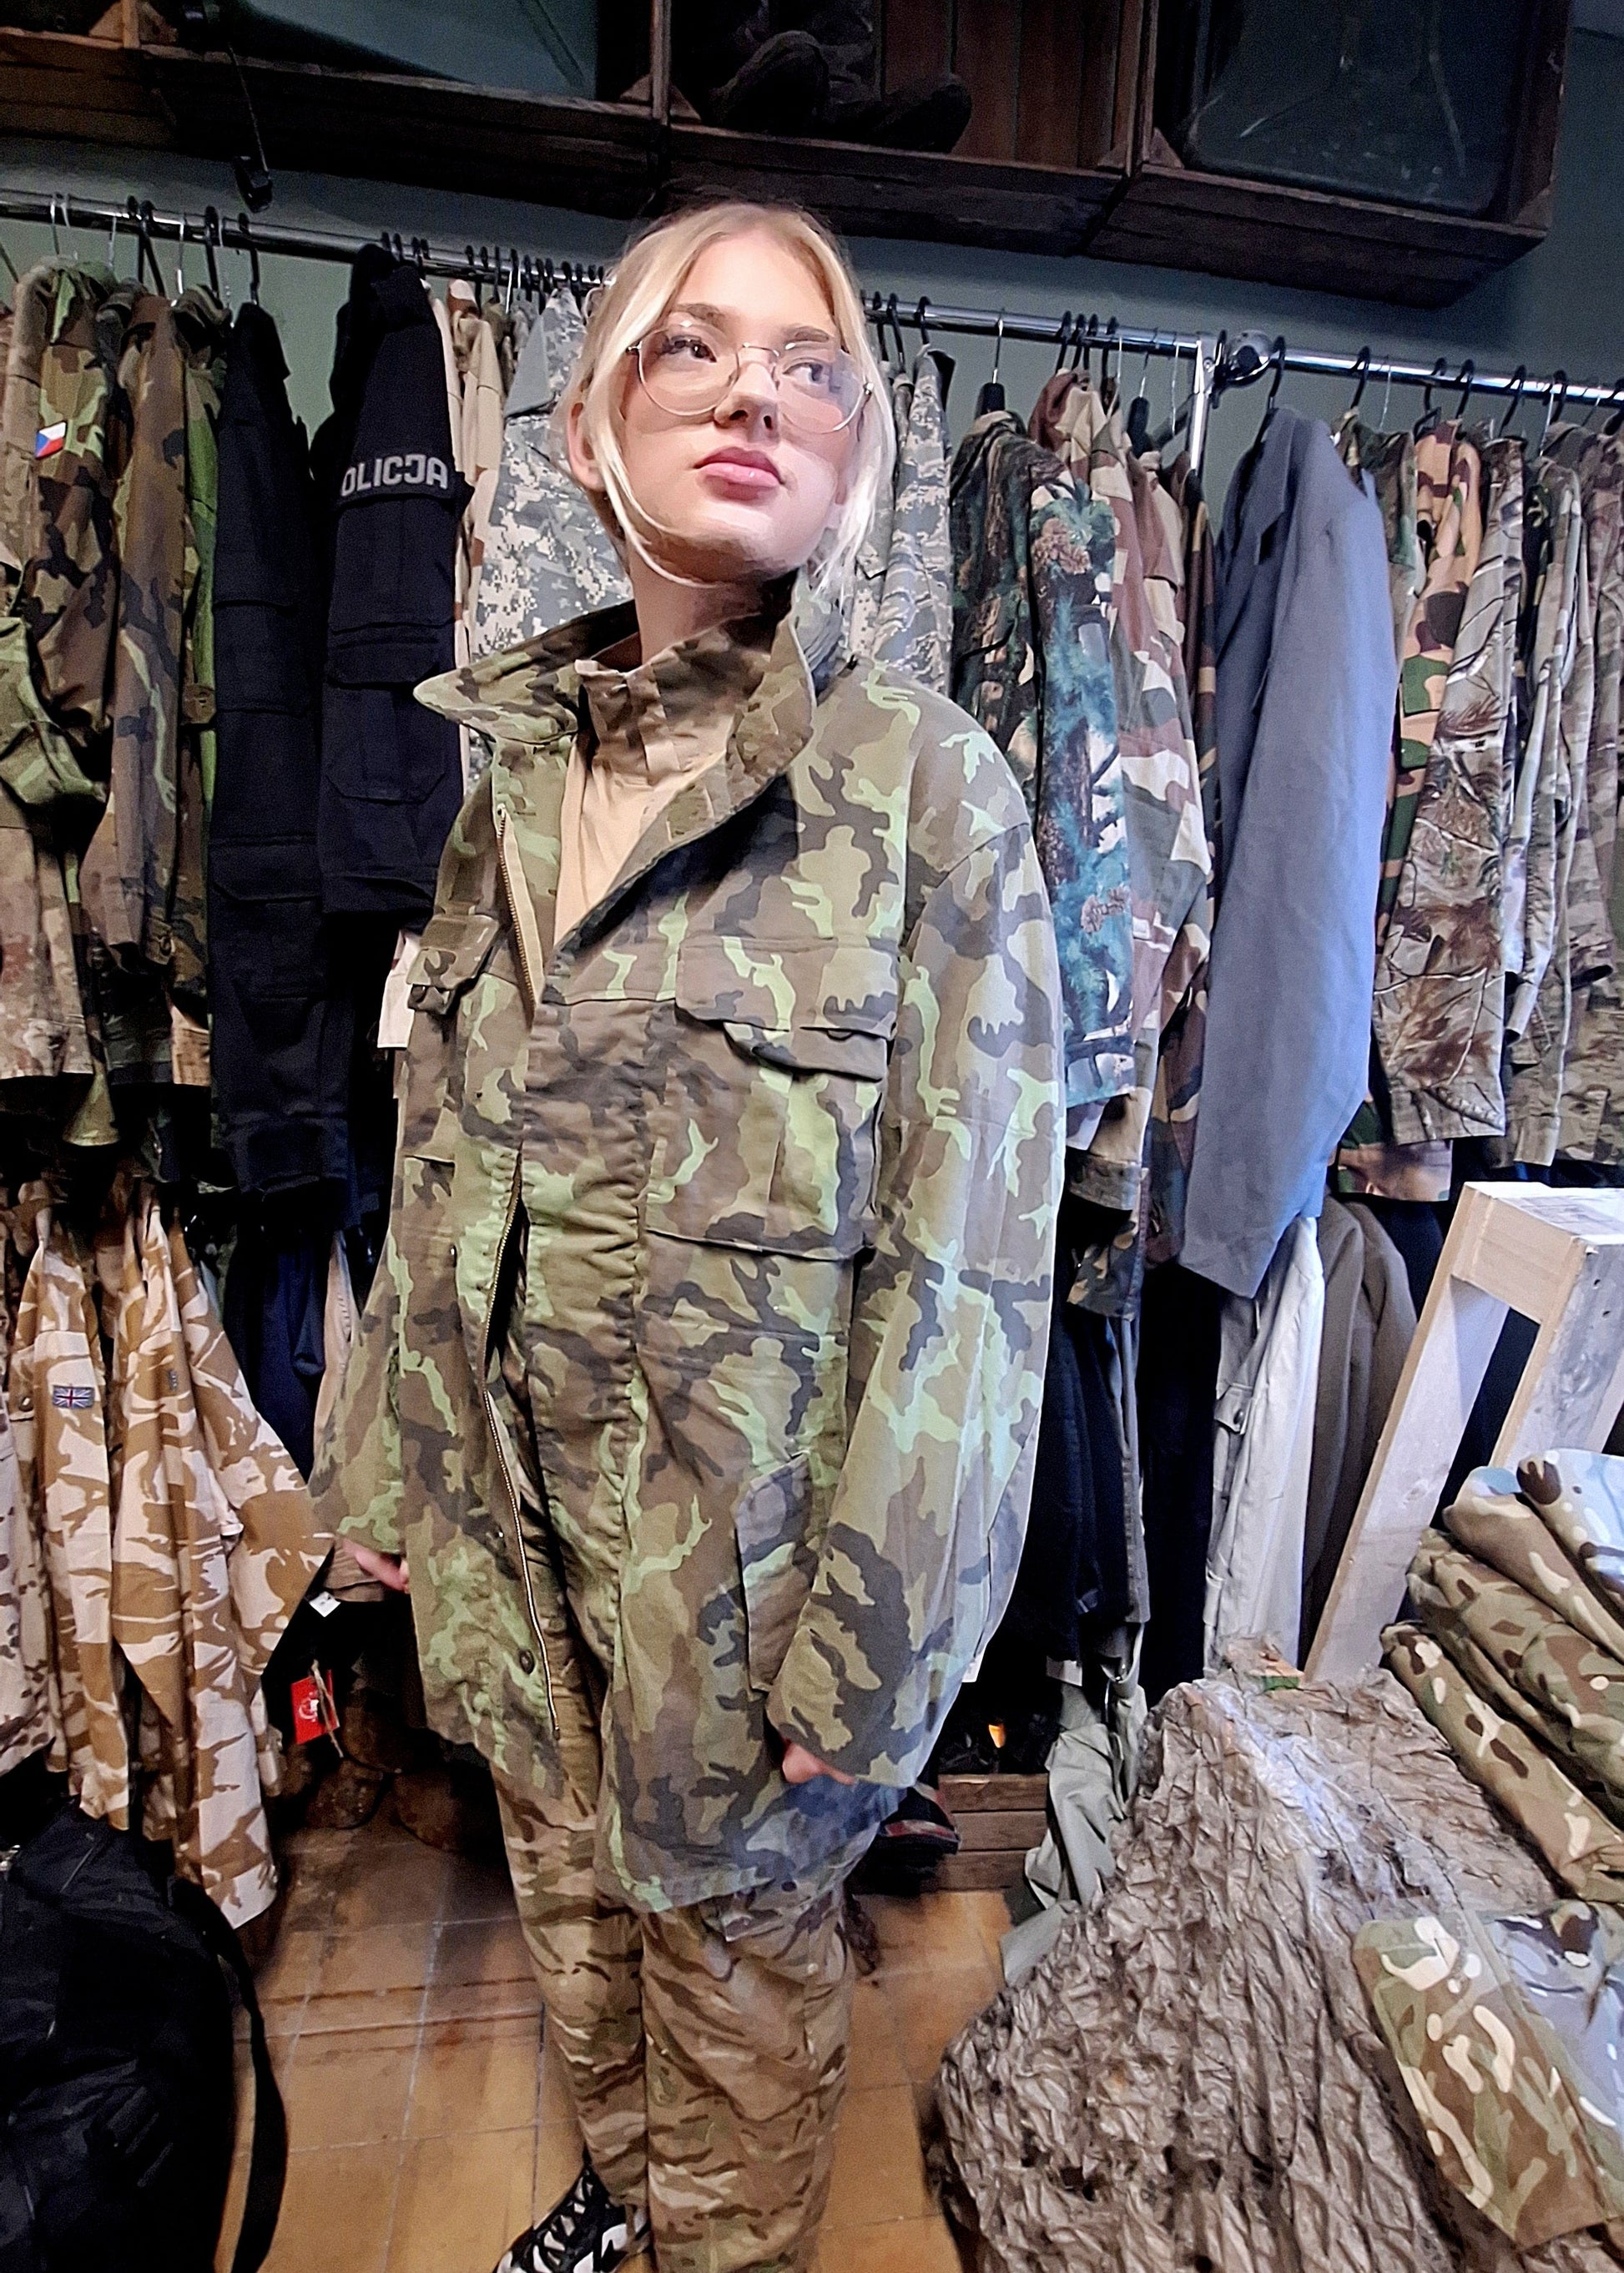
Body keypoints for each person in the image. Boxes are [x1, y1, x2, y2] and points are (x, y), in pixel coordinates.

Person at [313, 199, 1063, 2273]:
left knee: (734, 1999)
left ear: (856, 452)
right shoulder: (508, 783)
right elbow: (436, 1156)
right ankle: (637, 2201)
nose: (756, 392)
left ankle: (708, 2239)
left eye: (812, 366)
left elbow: (974, 1278)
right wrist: (379, 1465)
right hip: (519, 1540)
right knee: (581, 1950)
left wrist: (879, 1649)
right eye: (695, 347)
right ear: (584, 426)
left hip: (745, 1595)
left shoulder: (918, 793)